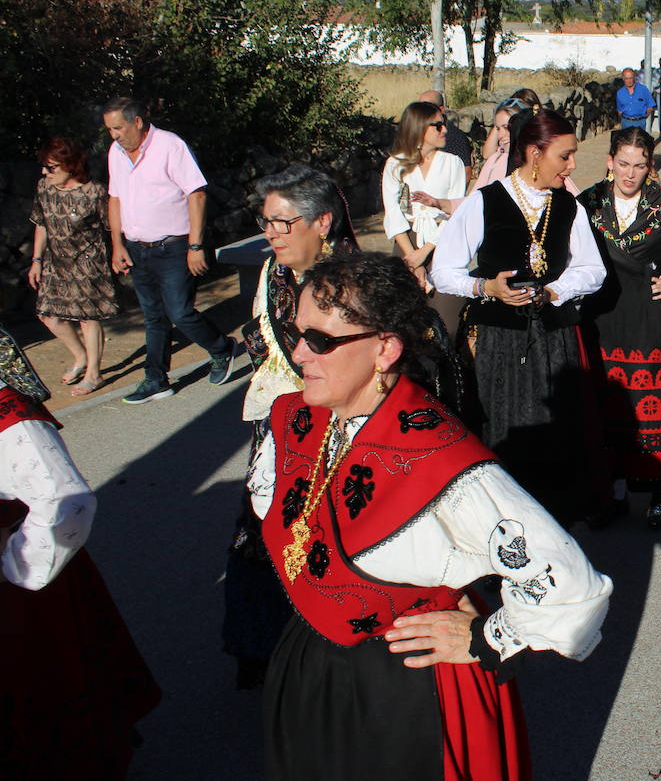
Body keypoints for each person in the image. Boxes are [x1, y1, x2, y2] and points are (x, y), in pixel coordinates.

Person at [247, 251, 612, 780]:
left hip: (406, 686)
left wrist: (486, 638)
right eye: (298, 332)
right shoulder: (295, 417)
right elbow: (275, 510)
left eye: (321, 340)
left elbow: (568, 585)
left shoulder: (445, 461)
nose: (299, 352)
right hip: (311, 661)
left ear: (385, 350)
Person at [430, 109, 607, 523]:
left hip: (553, 339)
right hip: (499, 337)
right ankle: (501, 532)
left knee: (555, 435)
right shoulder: (485, 201)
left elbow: (592, 269)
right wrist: (484, 287)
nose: (572, 165)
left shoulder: (568, 206)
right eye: (564, 156)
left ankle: (550, 533)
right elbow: (444, 269)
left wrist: (554, 289)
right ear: (534, 153)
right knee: (502, 431)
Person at [0, 323, 161, 777]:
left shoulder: (9, 419)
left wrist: (15, 568)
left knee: (48, 700)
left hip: (23, 594)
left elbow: (64, 504)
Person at [223, 166, 362, 689]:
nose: (272, 234)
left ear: (322, 222)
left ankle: (329, 649)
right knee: (260, 534)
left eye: (284, 223)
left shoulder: (356, 280)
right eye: (267, 222)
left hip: (334, 430)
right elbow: (262, 335)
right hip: (278, 425)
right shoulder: (272, 273)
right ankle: (258, 647)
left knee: (326, 538)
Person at [577, 128, 661, 529]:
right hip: (600, 315)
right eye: (623, 164)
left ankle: (658, 490)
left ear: (648, 166)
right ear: (609, 161)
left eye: (639, 165)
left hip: (646, 313)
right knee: (608, 404)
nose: (630, 174)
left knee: (651, 401)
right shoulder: (587, 203)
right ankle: (613, 490)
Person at [103, 95, 238, 404]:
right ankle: (156, 379)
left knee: (179, 311)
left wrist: (195, 245)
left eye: (119, 128)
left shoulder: (170, 146)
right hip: (138, 249)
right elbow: (115, 199)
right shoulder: (116, 153)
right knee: (153, 317)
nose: (115, 135)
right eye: (110, 130)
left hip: (174, 247)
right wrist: (117, 244)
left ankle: (221, 348)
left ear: (137, 121)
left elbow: (196, 194)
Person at [27, 136, 118, 396]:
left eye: (51, 166)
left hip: (88, 263)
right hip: (56, 262)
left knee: (87, 319)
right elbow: (41, 222)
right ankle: (80, 356)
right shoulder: (45, 187)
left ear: (70, 164)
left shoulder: (94, 192)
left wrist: (117, 254)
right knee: (48, 315)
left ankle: (94, 373)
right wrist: (36, 260)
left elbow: (111, 226)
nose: (46, 172)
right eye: (44, 166)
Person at [381, 101, 469, 336]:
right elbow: (394, 214)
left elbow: (455, 212)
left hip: (443, 243)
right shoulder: (395, 165)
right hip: (406, 244)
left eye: (444, 125)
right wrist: (412, 257)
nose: (445, 131)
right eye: (438, 126)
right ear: (419, 128)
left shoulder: (453, 164)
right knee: (402, 321)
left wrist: (425, 252)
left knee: (447, 322)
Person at [418, 88, 474, 178]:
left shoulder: (455, 137)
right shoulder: (413, 133)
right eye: (418, 107)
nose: (421, 111)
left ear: (441, 109)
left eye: (427, 107)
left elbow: (465, 171)